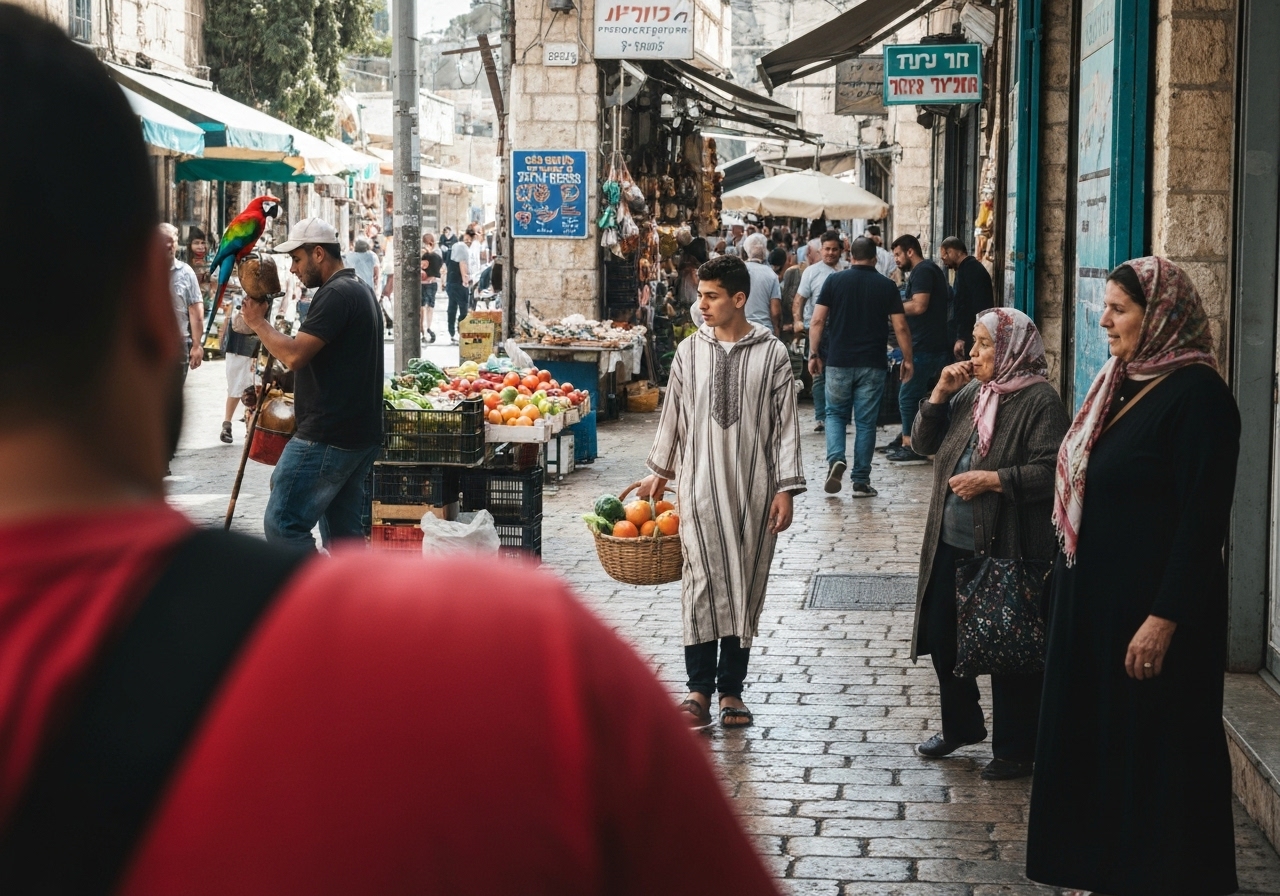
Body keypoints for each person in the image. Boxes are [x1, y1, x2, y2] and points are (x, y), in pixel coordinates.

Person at [0, 15, 784, 892]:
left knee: (309, 518)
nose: (292, 266)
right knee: (304, 522)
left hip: (336, 439)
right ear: (154, 313)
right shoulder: (525, 673)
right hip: (351, 459)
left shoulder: (334, 296)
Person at [1027, 258, 1241, 896]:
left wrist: (1162, 618)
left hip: (1152, 616)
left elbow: (1203, 526)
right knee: (1103, 744)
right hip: (1096, 608)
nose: (1105, 320)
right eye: (1106, 306)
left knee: (1158, 752)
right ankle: (1101, 869)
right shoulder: (1117, 382)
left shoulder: (1200, 399)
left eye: (1120, 309)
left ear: (1161, 317)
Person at [639, 255, 805, 730]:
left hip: (755, 489)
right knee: (700, 585)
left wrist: (785, 489)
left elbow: (785, 427)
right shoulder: (690, 352)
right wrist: (662, 471)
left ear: (738, 299)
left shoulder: (772, 354)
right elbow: (674, 413)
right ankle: (698, 690)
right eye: (700, 294)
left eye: (711, 296)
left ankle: (732, 690)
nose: (702, 304)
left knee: (744, 584)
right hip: (698, 488)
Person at [908, 307, 1069, 780]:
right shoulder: (973, 393)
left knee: (1009, 644)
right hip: (950, 540)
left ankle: (1018, 749)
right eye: (972, 342)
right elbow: (922, 444)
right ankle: (961, 727)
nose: (971, 352)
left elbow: (1051, 470)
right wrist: (938, 393)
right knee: (942, 636)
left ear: (1013, 349)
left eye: (983, 344)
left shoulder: (1040, 402)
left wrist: (995, 481)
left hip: (1009, 544)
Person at [240, 217, 384, 550]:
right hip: (356, 434)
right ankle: (352, 600)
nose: (292, 269)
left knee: (282, 525)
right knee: (345, 539)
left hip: (328, 436)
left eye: (297, 259)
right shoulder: (357, 288)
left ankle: (319, 598)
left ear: (318, 253)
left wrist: (258, 323)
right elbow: (328, 361)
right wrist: (279, 382)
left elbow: (294, 355)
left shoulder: (337, 294)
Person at [807, 237, 914, 498]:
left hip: (838, 360)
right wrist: (908, 359)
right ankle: (861, 482)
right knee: (866, 423)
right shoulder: (886, 286)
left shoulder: (834, 281)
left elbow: (818, 320)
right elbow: (900, 326)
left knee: (834, 414)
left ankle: (836, 460)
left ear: (849, 255)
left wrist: (813, 354)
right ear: (875, 258)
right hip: (872, 363)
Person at [888, 235, 951, 463]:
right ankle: (914, 438)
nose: (896, 259)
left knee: (907, 396)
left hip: (926, 346)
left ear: (910, 252)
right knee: (919, 397)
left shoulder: (924, 271)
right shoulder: (923, 271)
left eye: (897, 254)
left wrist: (891, 308)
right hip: (927, 344)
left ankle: (911, 445)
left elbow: (919, 305)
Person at [794, 231, 849, 432]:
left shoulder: (847, 270)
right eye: (827, 249)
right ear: (820, 249)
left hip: (841, 329)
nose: (830, 253)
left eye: (835, 249)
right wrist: (797, 321)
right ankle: (821, 417)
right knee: (817, 372)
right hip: (816, 327)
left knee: (839, 372)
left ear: (841, 250)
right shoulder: (811, 272)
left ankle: (836, 413)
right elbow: (799, 299)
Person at [160, 223, 203, 383]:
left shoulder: (186, 273)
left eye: (172, 240)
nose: (168, 245)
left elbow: (195, 312)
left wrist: (197, 345)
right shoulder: (143, 271)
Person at [940, 236, 993, 360]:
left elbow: (965, 307)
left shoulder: (969, 270)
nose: (944, 262)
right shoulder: (968, 268)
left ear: (951, 252)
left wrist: (962, 337)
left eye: (944, 257)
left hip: (972, 335)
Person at [219, 294, 260, 444]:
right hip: (241, 343)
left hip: (255, 341)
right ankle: (229, 424)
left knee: (252, 387)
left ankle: (241, 426)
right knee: (239, 386)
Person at [742, 232, 782, 336]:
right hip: (764, 331)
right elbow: (775, 311)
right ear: (765, 251)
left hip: (741, 329)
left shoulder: (738, 270)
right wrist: (777, 330)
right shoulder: (771, 275)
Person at [444, 228, 472, 343]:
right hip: (459, 284)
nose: (468, 242)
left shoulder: (452, 250)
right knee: (463, 308)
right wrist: (466, 279)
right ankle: (461, 331)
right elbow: (462, 264)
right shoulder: (461, 248)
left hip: (450, 282)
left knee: (452, 308)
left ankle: (452, 332)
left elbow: (446, 266)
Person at [421, 232, 442, 344]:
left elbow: (438, 266)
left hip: (429, 282)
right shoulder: (424, 253)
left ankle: (427, 328)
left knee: (428, 307)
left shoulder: (436, 253)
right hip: (425, 282)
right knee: (425, 307)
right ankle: (425, 328)